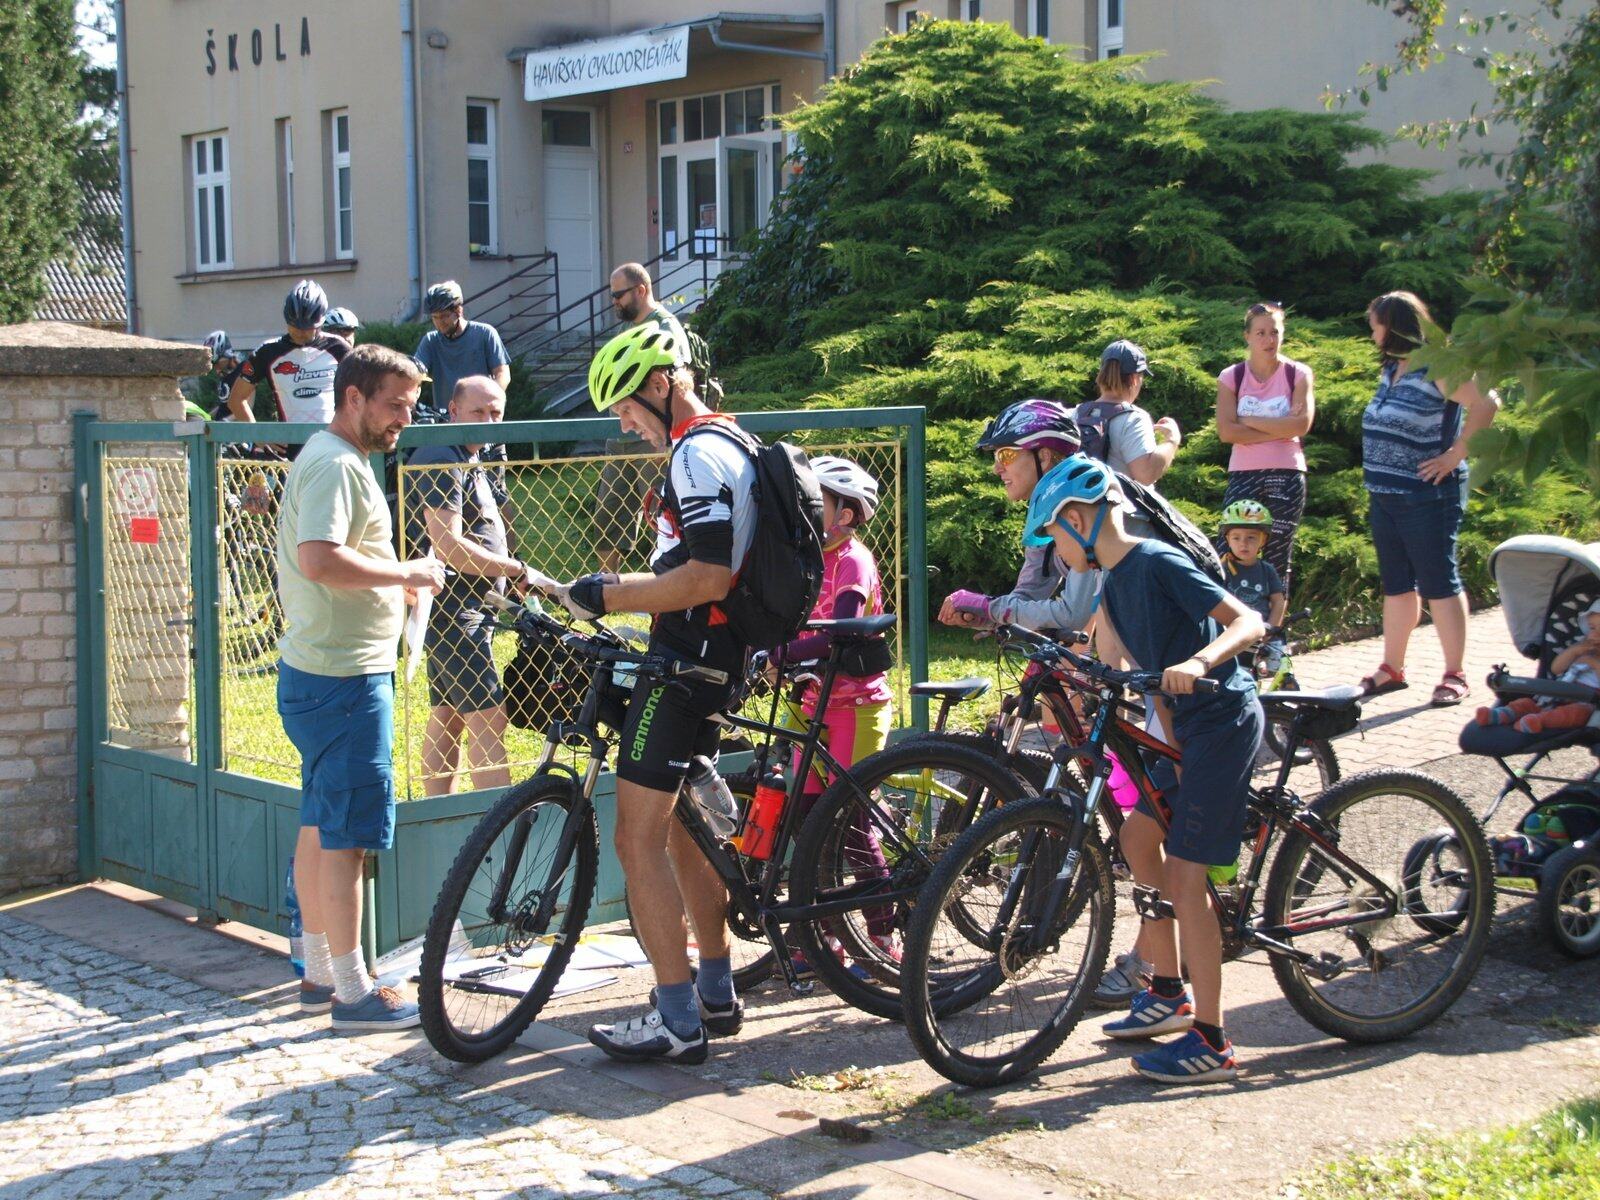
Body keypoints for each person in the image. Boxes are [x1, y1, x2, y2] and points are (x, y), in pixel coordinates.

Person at [546, 321, 756, 1064]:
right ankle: (715, 989)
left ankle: (676, 1020)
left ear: (662, 385)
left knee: (637, 838)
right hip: (715, 660)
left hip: (685, 664)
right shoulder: (726, 439)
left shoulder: (697, 455)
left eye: (626, 407)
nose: (624, 422)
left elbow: (707, 577)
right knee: (679, 829)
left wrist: (613, 595)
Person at [1028, 454, 1264, 1084]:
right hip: (1180, 728)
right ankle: (1166, 991)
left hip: (1221, 720)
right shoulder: (1113, 584)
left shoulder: (1155, 561)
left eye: (1051, 534)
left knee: (1187, 878)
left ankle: (1212, 1040)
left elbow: (1247, 621)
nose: (1052, 548)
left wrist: (1202, 661)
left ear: (1078, 518)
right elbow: (1111, 655)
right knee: (1136, 839)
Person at [275, 344, 444, 1031]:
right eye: (394, 404)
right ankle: (352, 991)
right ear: (353, 399)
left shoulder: (333, 457)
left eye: (410, 404)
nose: (405, 417)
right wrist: (403, 575)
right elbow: (320, 559)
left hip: (321, 670)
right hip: (344, 679)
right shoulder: (339, 465)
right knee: (345, 836)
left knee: (321, 821)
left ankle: (320, 971)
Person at [773, 455, 896, 973]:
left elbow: (841, 628)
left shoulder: (853, 561)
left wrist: (781, 652)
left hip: (857, 706)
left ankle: (883, 938)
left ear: (843, 514)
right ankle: (822, 937)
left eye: (815, 501)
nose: (806, 508)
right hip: (812, 702)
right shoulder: (808, 556)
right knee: (804, 817)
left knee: (849, 822)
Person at [1358, 291, 1501, 707]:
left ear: (1395, 325)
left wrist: (1455, 454)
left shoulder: (1437, 367)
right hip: (1385, 493)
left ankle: (1454, 674)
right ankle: (1391, 668)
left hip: (1428, 495)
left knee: (1439, 582)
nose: (1371, 332)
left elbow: (1486, 404)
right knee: (1397, 585)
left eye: (1376, 324)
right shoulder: (1392, 368)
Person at [408, 376, 529, 797]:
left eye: (496, 412)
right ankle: (497, 826)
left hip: (469, 607)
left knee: (449, 715)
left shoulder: (471, 454)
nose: (489, 421)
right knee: (488, 716)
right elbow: (449, 544)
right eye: (479, 411)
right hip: (455, 611)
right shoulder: (442, 453)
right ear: (453, 411)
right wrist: (515, 569)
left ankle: (437, 813)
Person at [937, 400, 1098, 636]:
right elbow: (1029, 595)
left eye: (1006, 454)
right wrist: (984, 617)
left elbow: (1072, 614)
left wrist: (989, 607)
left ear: (1043, 457)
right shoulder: (1047, 510)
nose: (997, 468)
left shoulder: (1082, 509)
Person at [595, 262, 691, 574]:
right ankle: (606, 591)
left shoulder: (665, 327)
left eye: (619, 295)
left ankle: (664, 587)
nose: (614, 302)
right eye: (611, 296)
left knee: (661, 515)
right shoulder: (629, 328)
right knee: (608, 514)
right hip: (623, 435)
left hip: (652, 436)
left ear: (641, 290)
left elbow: (679, 385)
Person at [1214, 303, 1315, 590]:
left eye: (1275, 332)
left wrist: (1247, 420)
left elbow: (1300, 425)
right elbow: (1226, 431)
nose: (1269, 340)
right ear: (1247, 336)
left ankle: (1275, 630)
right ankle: (1233, 625)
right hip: (1243, 473)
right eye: (1260, 333)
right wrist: (1278, 427)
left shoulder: (1298, 374)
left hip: (1286, 472)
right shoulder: (1231, 377)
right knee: (1230, 551)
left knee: (1278, 553)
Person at [219, 280, 349, 427]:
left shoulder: (339, 348)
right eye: (294, 326)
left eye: (307, 328)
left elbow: (365, 394)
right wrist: (259, 435)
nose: (300, 332)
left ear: (321, 322)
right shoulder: (267, 352)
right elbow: (236, 400)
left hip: (332, 443)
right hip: (290, 446)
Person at [1475, 599, 1600, 734]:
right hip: (1557, 692)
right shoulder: (1583, 648)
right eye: (1592, 628)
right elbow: (1556, 669)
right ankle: (1501, 714)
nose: (1595, 634)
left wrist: (1593, 663)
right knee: (1527, 703)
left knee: (1574, 714)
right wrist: (1574, 651)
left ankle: (1539, 721)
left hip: (1588, 703)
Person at [1076, 340, 1182, 486]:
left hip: (1076, 504)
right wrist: (1172, 440)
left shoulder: (1075, 414)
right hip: (1120, 507)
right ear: (1134, 379)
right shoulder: (1134, 419)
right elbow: (1145, 474)